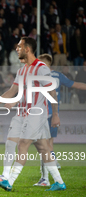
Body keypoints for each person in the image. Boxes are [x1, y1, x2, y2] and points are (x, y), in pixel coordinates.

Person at [0, 37, 66, 191]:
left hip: (36, 114)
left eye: (19, 46)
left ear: (27, 49)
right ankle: (59, 182)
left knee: (22, 144)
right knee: (42, 147)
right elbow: (12, 90)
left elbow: (52, 91)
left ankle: (9, 181)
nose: (17, 49)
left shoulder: (41, 68)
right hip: (21, 113)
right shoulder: (22, 70)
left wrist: (55, 113)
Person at [34, 54, 86, 186]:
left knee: (43, 145)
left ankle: (46, 178)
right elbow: (75, 85)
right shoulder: (58, 75)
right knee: (48, 143)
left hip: (44, 113)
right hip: (53, 113)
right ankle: (50, 168)